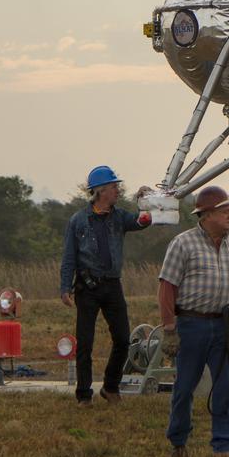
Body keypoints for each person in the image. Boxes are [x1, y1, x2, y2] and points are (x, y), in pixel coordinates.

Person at [158, 185, 229, 457]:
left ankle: (223, 447)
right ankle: (178, 441)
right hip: (191, 325)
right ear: (207, 214)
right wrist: (169, 329)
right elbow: (167, 289)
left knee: (224, 387)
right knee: (185, 387)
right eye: (226, 211)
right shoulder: (183, 244)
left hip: (222, 326)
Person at [60, 165, 152, 407]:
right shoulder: (78, 220)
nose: (118, 190)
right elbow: (69, 257)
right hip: (87, 288)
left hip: (112, 286)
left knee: (123, 339)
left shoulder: (120, 217)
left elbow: (142, 222)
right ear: (101, 191)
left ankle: (111, 387)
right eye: (114, 187)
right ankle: (84, 395)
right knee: (85, 343)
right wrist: (64, 287)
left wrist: (145, 201)